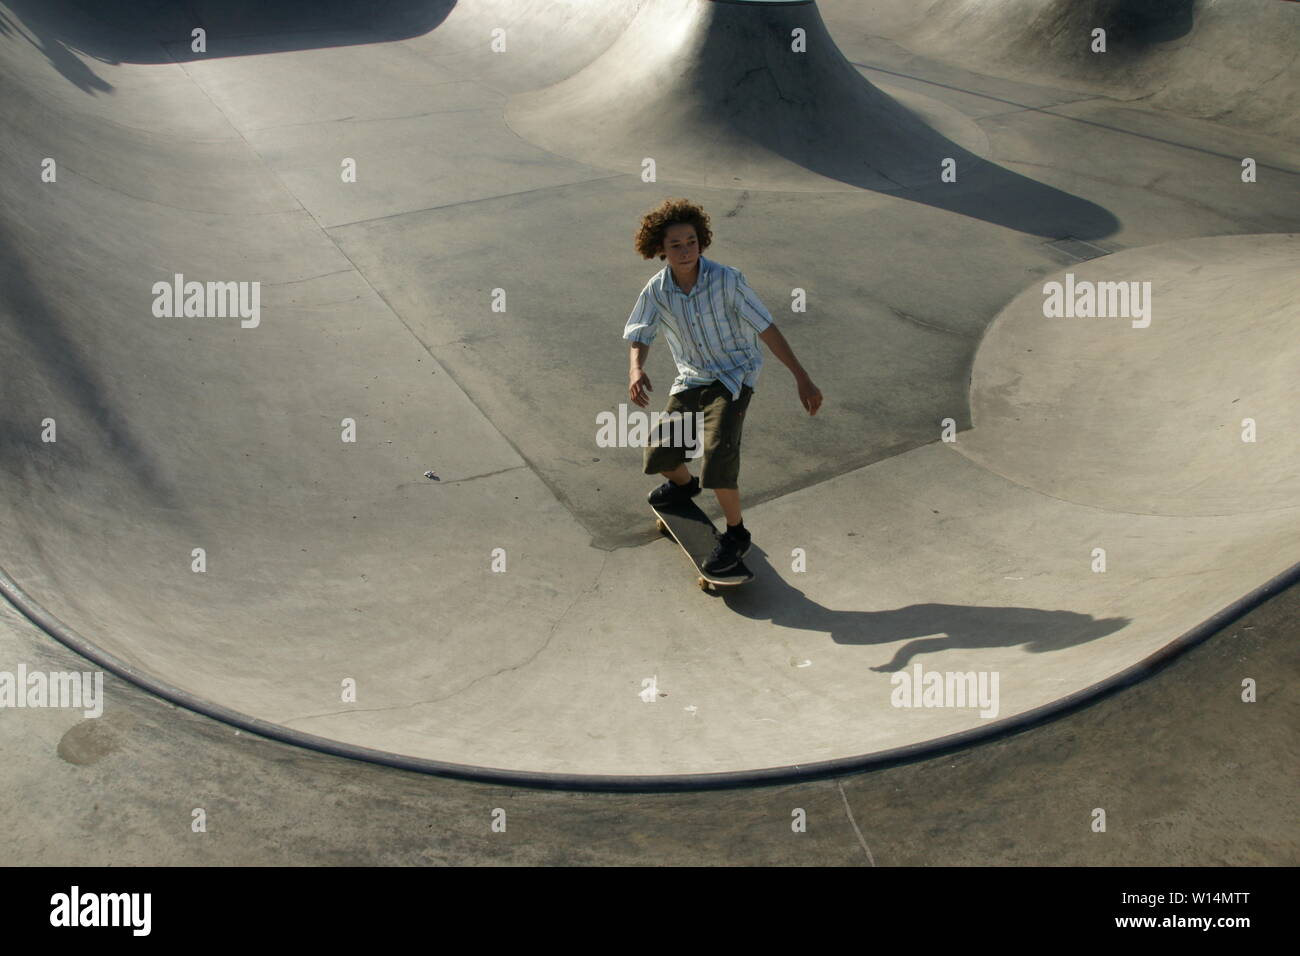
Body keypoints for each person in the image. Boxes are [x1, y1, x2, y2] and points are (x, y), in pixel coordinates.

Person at [624, 198, 823, 574]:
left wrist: (802, 376)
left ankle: (736, 534)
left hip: (734, 376)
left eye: (691, 241)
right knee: (660, 452)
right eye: (675, 245)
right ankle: (684, 487)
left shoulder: (728, 280)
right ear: (660, 250)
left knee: (718, 452)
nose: (686, 251)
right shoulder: (657, 289)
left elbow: (766, 328)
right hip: (692, 377)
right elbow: (640, 332)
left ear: (702, 241)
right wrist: (636, 370)